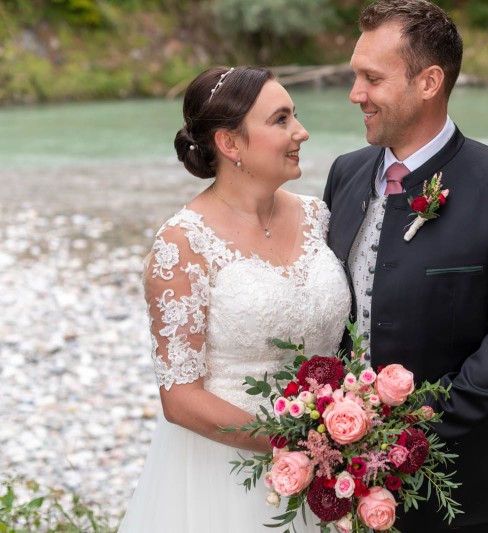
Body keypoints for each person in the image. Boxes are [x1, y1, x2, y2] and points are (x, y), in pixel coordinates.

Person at [323, 1, 488, 531]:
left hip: (474, 488)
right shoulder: (345, 173)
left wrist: (413, 427)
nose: (355, 93)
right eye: (354, 76)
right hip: (350, 478)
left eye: (371, 78)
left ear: (429, 82)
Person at [118, 66, 350, 532]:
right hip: (226, 475)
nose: (300, 132)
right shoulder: (183, 243)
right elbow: (180, 398)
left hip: (335, 468)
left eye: (294, 116)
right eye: (281, 120)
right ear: (230, 144)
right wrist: (296, 444)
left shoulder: (317, 215)